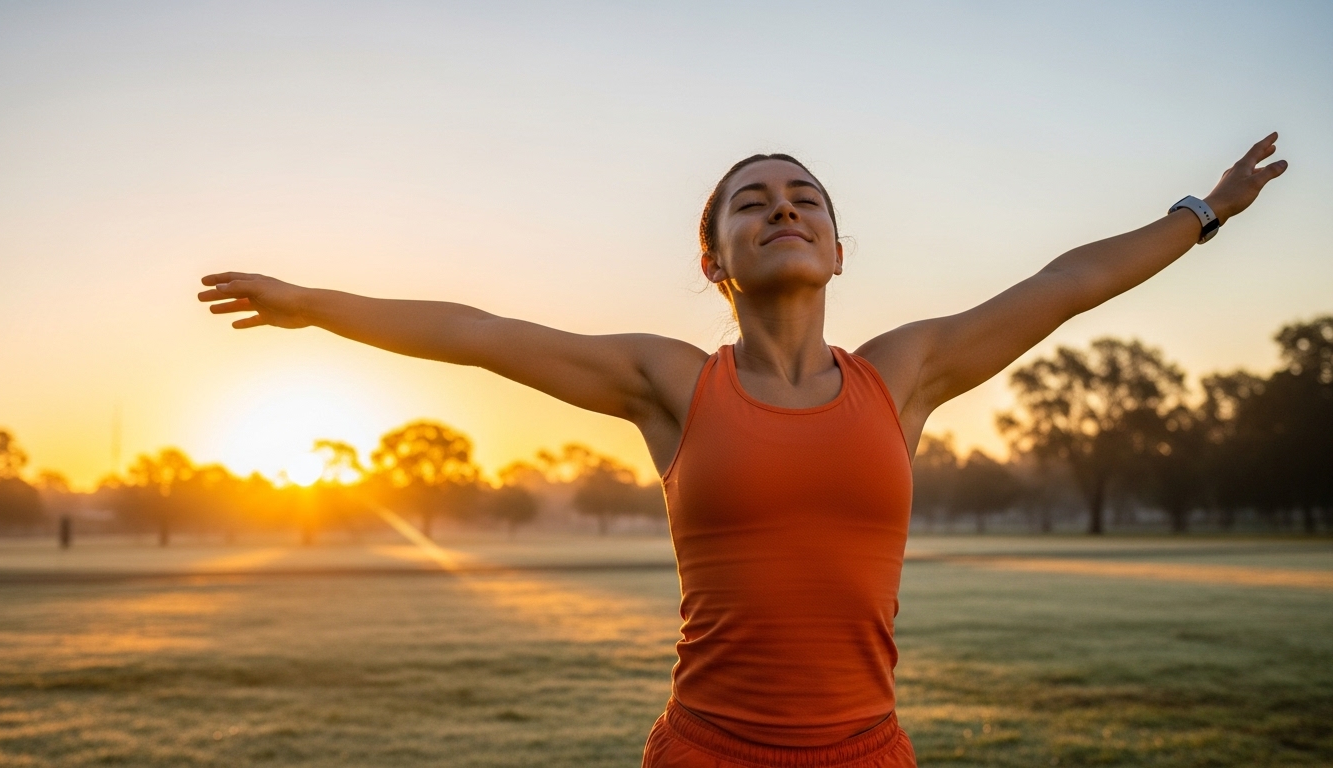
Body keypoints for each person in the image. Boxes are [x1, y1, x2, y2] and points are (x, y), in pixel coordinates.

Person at [198, 135, 1286, 768]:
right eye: (750, 203)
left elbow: (1064, 283)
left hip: (868, 753)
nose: (783, 209)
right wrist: (315, 307)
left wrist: (1204, 212)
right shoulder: (671, 382)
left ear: (838, 250)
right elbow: (481, 334)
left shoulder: (899, 374)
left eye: (804, 198)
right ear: (713, 259)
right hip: (704, 755)